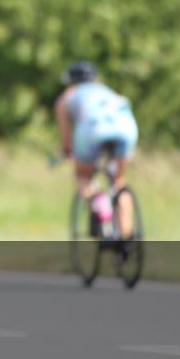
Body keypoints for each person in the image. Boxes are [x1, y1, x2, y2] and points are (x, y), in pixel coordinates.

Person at [54, 61, 139, 238]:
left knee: (83, 175)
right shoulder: (107, 91)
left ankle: (100, 204)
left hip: (92, 131)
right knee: (119, 181)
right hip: (126, 128)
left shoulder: (69, 95)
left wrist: (67, 150)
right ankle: (126, 236)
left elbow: (66, 136)